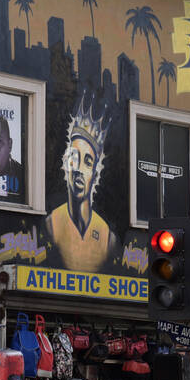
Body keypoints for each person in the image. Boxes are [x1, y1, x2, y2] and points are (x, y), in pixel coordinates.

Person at [46, 104, 117, 271]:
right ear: (66, 164)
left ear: (95, 174)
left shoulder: (107, 237)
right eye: (74, 158)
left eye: (87, 162)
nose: (78, 169)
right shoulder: (52, 224)